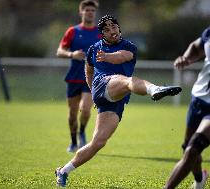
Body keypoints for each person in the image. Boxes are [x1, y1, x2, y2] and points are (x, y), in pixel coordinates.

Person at [55, 14, 182, 187]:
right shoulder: (94, 48)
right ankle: (155, 89)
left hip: (116, 99)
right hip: (103, 86)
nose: (112, 31)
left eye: (114, 27)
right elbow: (89, 71)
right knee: (129, 81)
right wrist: (93, 91)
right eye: (107, 30)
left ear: (119, 28)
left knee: (98, 143)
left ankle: (63, 171)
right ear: (102, 34)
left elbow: (122, 56)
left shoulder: (129, 46)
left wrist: (108, 57)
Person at [164, 3, 210, 189]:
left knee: (194, 148)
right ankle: (199, 180)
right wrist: (187, 58)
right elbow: (196, 47)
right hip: (199, 98)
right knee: (187, 149)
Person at [56, 0, 101, 152]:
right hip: (74, 77)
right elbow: (59, 51)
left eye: (92, 10)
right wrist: (72, 54)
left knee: (86, 109)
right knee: (72, 114)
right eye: (87, 10)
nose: (90, 12)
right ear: (81, 12)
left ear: (95, 13)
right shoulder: (72, 31)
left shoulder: (100, 33)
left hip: (91, 78)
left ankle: (82, 131)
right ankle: (73, 141)